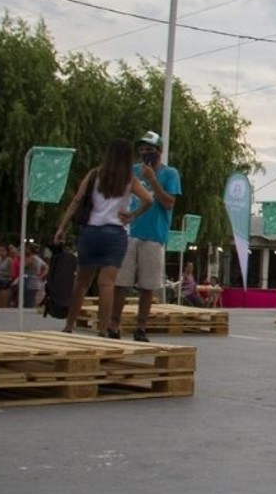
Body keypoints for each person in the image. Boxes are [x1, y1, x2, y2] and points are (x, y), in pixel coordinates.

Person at [54, 139, 154, 337]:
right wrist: (132, 215)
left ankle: (69, 325)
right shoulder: (129, 179)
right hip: (115, 234)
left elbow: (76, 201)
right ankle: (102, 329)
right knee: (107, 284)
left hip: (90, 232)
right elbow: (149, 199)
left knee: (81, 282)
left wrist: (62, 227)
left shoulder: (94, 174)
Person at [110, 131, 181, 342]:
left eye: (149, 149)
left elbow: (169, 203)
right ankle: (114, 323)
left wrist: (152, 180)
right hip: (130, 231)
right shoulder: (133, 171)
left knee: (147, 284)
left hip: (154, 235)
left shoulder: (170, 174)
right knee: (121, 281)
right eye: (141, 149)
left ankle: (141, 327)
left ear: (159, 151)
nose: (145, 153)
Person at [22, 243, 49, 308]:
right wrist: (41, 276)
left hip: (29, 280)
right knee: (32, 299)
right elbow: (46, 267)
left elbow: (23, 266)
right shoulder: (38, 258)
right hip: (36, 280)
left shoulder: (31, 258)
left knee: (28, 301)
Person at [0, 243, 16, 308]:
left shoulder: (9, 260)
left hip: (5, 282)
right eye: (0, 250)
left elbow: (11, 274)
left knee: (3, 303)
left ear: (7, 252)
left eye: (3, 250)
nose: (1, 252)